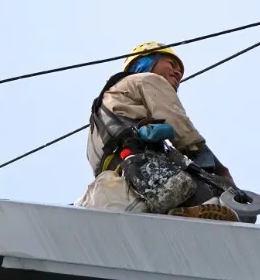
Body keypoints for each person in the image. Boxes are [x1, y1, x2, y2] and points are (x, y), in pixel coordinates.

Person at [85, 41, 239, 221]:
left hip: (124, 181)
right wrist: (218, 169)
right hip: (146, 166)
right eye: (171, 64)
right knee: (220, 195)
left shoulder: (101, 112)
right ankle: (199, 211)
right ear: (146, 62)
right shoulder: (148, 79)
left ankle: (178, 213)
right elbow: (181, 128)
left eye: (180, 71)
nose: (178, 73)